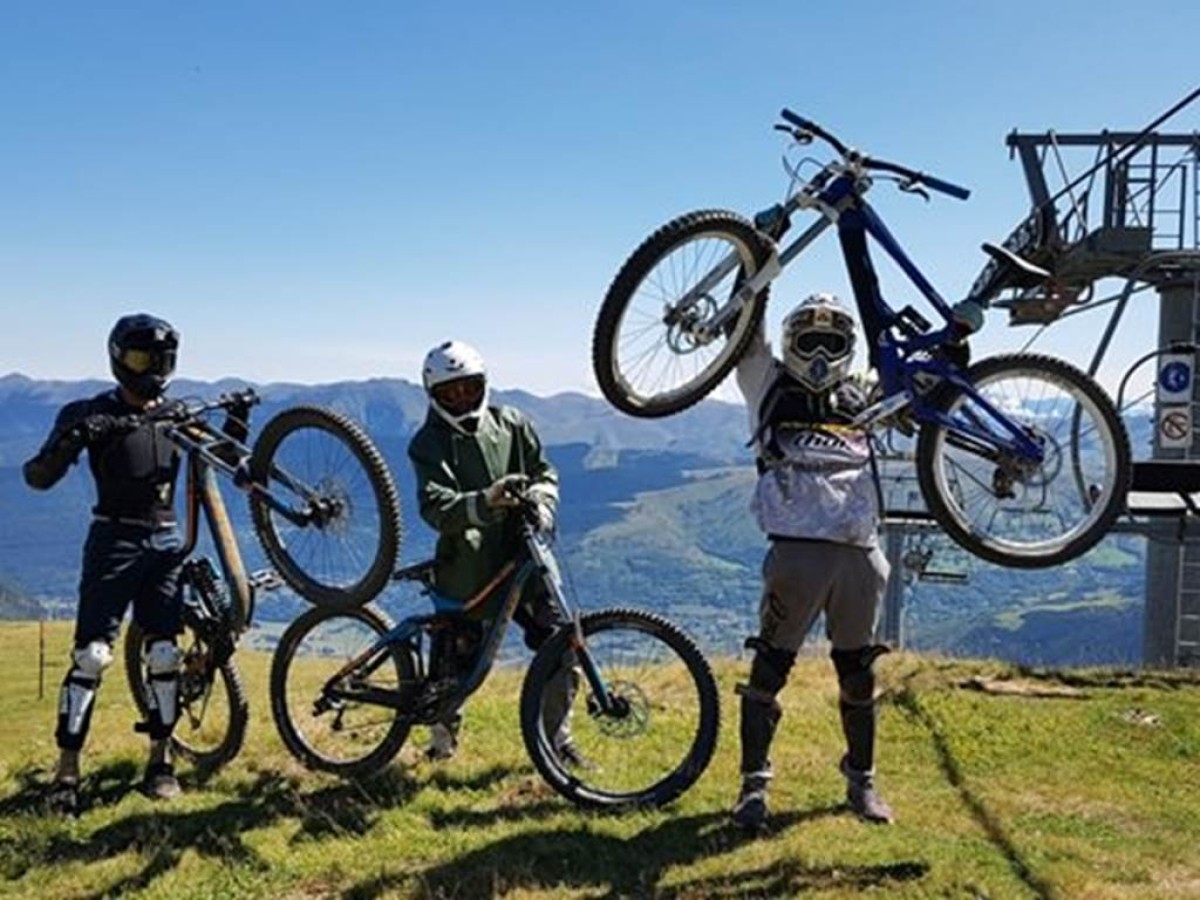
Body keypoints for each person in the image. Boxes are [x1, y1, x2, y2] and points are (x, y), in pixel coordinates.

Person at [730, 292, 894, 831]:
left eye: (832, 343)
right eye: (809, 342)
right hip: (795, 551)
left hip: (858, 552)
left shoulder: (867, 390)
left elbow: (923, 384)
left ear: (848, 348)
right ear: (790, 343)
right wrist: (759, 264)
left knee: (859, 672)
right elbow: (743, 330)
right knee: (769, 669)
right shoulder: (767, 384)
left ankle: (861, 781)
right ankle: (753, 790)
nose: (820, 353)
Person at [23, 313, 187, 813]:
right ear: (118, 358)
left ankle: (161, 762)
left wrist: (242, 420)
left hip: (166, 541)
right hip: (113, 537)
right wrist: (74, 438)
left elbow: (228, 458)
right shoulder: (88, 410)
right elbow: (37, 477)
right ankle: (66, 772)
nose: (153, 370)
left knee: (165, 656)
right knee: (92, 657)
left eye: (162, 360)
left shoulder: (177, 413)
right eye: (143, 359)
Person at [406, 340, 586, 767]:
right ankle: (441, 745)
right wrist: (485, 500)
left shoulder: (512, 424)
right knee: (453, 667)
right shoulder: (427, 443)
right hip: (468, 571)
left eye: (468, 388)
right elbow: (435, 506)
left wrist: (542, 501)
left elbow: (544, 471)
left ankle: (557, 742)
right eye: (450, 393)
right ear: (434, 394)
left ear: (483, 383)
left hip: (526, 558)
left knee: (562, 644)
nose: (461, 399)